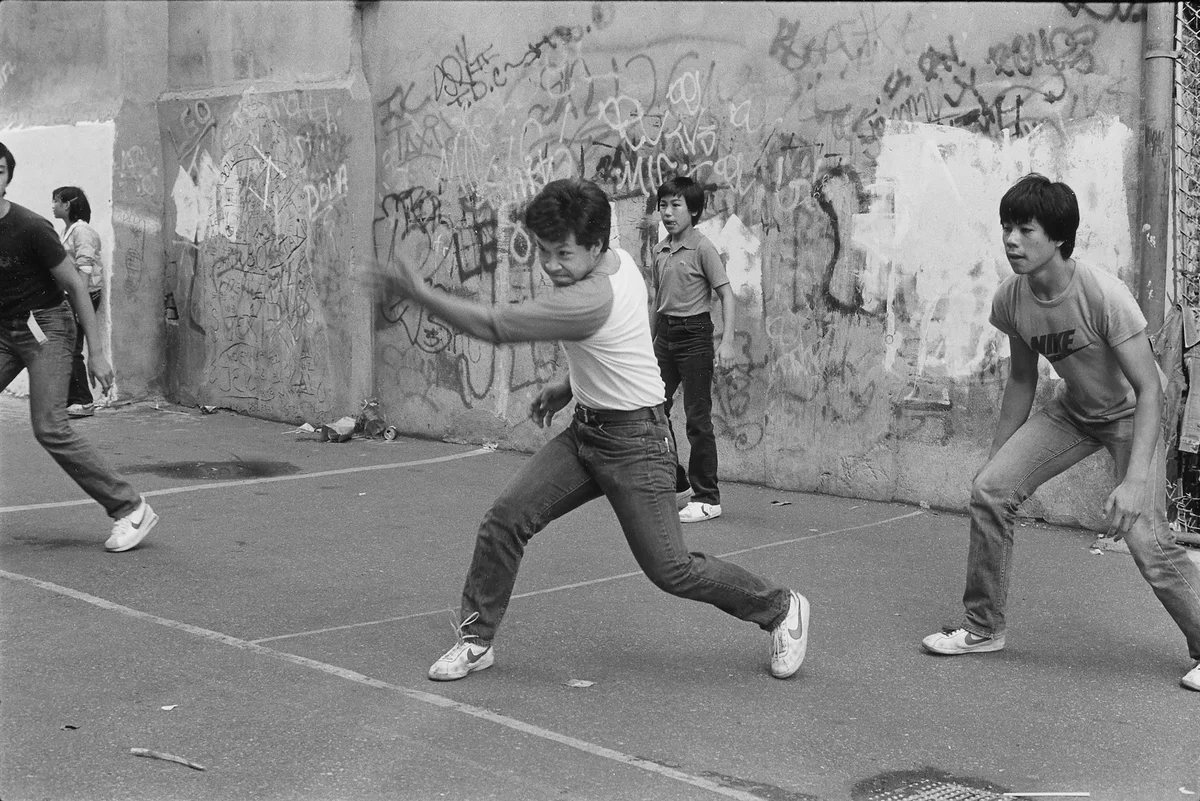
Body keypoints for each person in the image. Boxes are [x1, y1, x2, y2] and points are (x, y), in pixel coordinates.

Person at [379, 178, 809, 682]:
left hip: (636, 443)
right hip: (587, 429)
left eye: (562, 253)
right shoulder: (620, 257)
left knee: (672, 570)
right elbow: (622, 336)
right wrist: (569, 384)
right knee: (504, 521)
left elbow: (495, 325)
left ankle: (781, 607)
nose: (551, 265)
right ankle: (476, 640)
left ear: (597, 243)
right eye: (542, 251)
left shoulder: (587, 299)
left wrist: (416, 292)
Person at [921, 173, 1200, 692]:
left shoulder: (1102, 295)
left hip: (1132, 413)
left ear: (1057, 238)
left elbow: (1150, 391)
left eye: (1025, 230)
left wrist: (1136, 479)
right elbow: (1023, 380)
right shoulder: (1012, 298)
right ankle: (983, 629)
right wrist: (998, 457)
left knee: (1145, 536)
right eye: (1007, 228)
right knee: (990, 490)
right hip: (1073, 411)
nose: (1010, 240)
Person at [0, 141, 158, 552]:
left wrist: (98, 352)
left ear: (7, 179)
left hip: (47, 328)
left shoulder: (32, 228)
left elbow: (76, 285)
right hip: (5, 329)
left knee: (50, 426)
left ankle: (131, 508)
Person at [650, 176, 735, 523]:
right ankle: (678, 482)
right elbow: (658, 300)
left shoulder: (702, 248)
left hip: (695, 335)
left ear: (694, 211)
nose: (668, 213)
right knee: (652, 409)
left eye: (676, 205)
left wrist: (727, 342)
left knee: (697, 419)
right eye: (663, 205)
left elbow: (727, 294)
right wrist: (646, 345)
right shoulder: (659, 250)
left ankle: (707, 497)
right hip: (664, 335)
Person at [52, 186, 104, 418]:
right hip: (73, 295)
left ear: (68, 205)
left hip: (83, 294)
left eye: (56, 201)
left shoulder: (81, 231)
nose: (53, 206)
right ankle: (73, 398)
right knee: (68, 347)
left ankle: (84, 401)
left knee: (73, 348)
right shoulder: (69, 230)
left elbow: (84, 266)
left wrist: (78, 300)